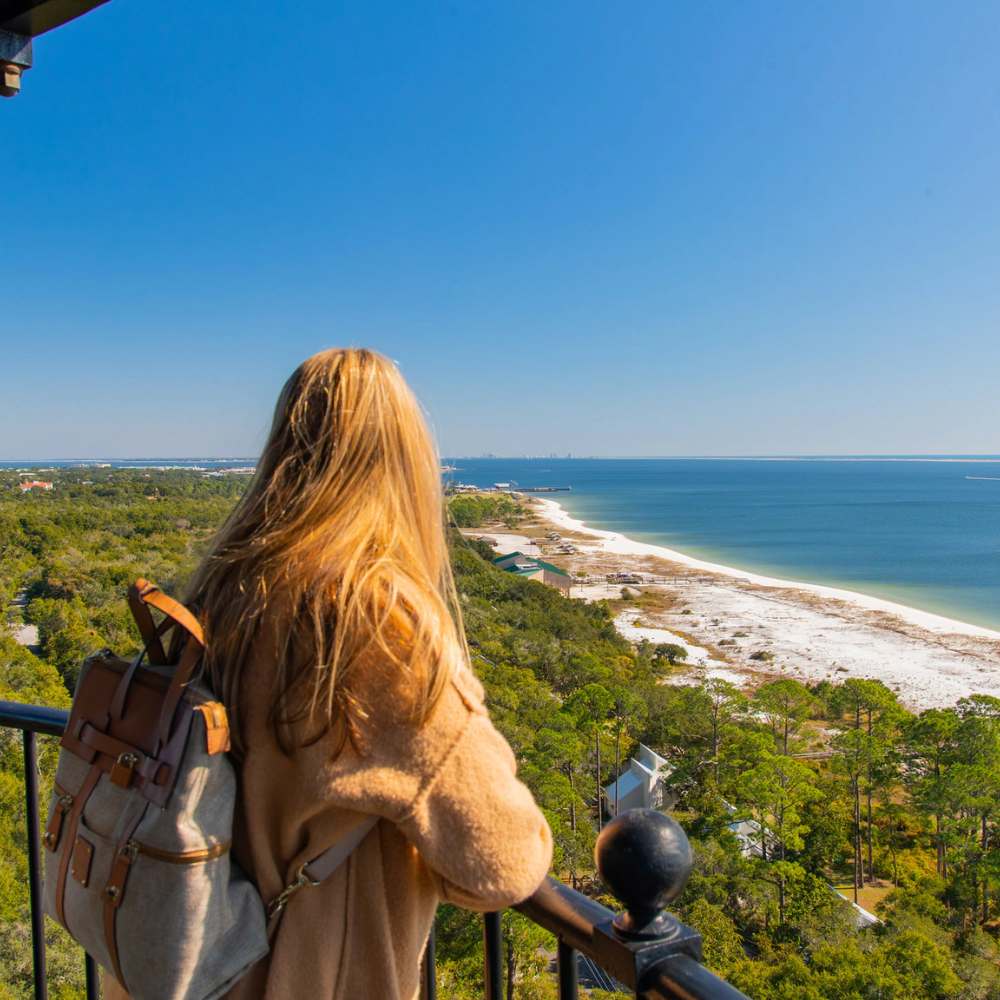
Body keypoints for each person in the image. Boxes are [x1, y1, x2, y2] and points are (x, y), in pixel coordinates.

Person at [105, 348, 552, 1000]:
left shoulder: (226, 584)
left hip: (184, 960)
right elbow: (502, 865)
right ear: (402, 461)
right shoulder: (376, 625)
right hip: (300, 975)